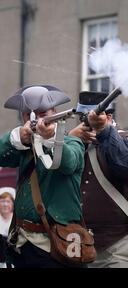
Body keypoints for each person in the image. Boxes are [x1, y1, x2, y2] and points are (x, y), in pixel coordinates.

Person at [0, 85, 85, 268]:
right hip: (22, 243)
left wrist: (51, 140)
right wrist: (17, 138)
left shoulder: (73, 142)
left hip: (55, 244)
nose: (37, 119)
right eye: (29, 115)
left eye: (42, 113)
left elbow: (68, 163)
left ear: (53, 112)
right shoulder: (23, 148)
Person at [69, 91, 128, 268]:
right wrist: (69, 139)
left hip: (121, 243)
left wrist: (104, 132)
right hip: (85, 243)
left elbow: (126, 166)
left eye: (90, 120)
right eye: (83, 119)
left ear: (108, 117)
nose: (86, 125)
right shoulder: (77, 145)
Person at [0, 188, 15, 268]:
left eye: (8, 201)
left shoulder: (17, 219)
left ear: (12, 204)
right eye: (2, 201)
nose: (5, 204)